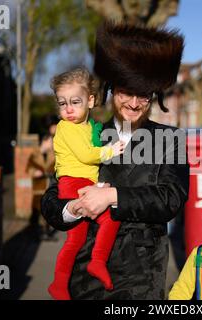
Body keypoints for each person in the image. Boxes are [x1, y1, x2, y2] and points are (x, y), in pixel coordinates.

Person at [41, 21, 189, 299]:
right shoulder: (85, 134)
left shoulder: (172, 138)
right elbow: (50, 201)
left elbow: (172, 198)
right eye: (125, 92)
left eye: (143, 94)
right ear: (110, 90)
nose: (134, 103)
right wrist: (73, 207)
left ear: (154, 95)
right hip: (85, 280)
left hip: (141, 282)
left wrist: (112, 195)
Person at [48, 67, 125, 300]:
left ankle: (94, 263)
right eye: (62, 104)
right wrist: (109, 151)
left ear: (90, 101)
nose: (68, 109)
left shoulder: (89, 126)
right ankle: (62, 282)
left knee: (91, 230)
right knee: (82, 235)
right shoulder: (66, 127)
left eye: (75, 102)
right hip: (73, 183)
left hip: (85, 182)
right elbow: (85, 155)